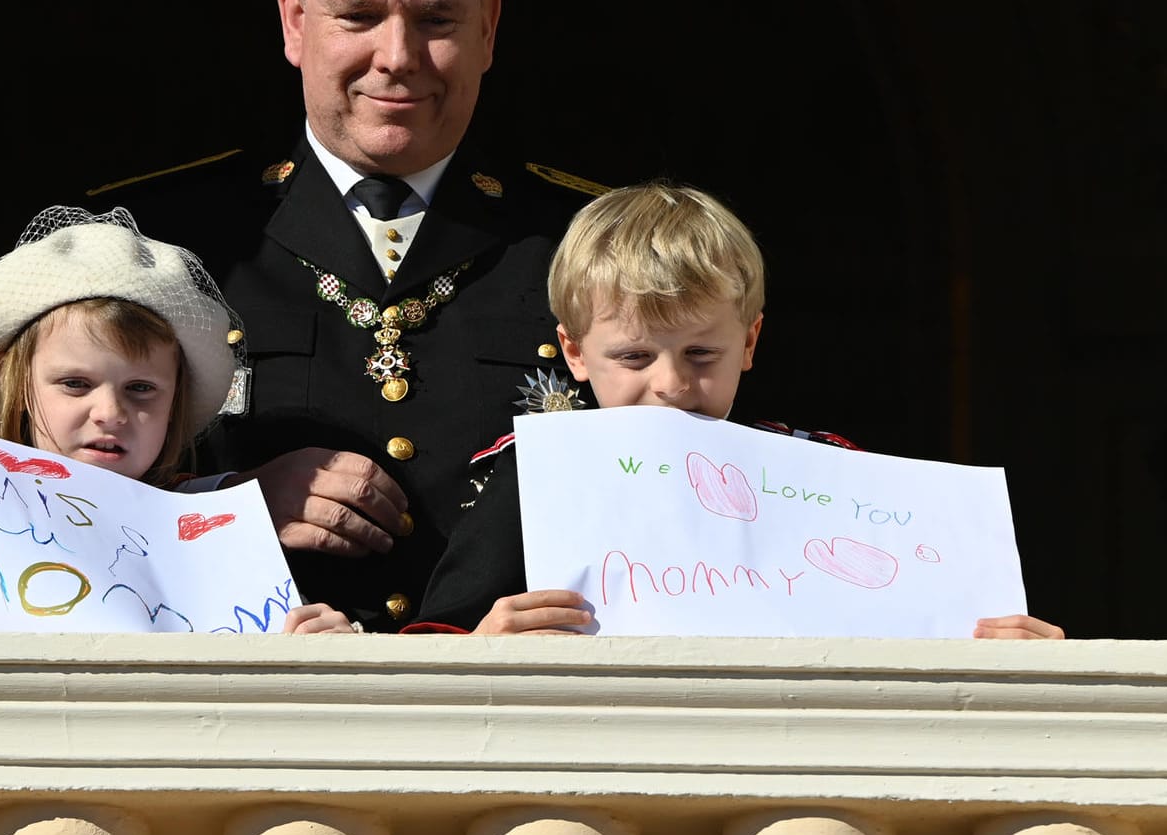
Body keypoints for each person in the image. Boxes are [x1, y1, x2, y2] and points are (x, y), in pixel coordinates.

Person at [86, 0, 597, 631]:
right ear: (295, 20)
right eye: (358, 15)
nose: (396, 56)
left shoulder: (588, 245)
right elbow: (49, 508)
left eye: (437, 19)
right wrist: (233, 507)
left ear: (489, 27)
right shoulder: (163, 243)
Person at [410, 182, 1066, 639]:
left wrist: (1005, 651)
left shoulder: (830, 469)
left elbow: (931, 630)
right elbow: (433, 647)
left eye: (700, 353)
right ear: (575, 352)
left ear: (749, 342)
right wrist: (481, 642)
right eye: (635, 356)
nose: (669, 383)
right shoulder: (534, 476)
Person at [0, 207, 354, 635]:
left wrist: (317, 650)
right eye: (75, 384)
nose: (110, 413)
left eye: (142, 389)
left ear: (177, 404)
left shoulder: (229, 539)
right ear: (19, 389)